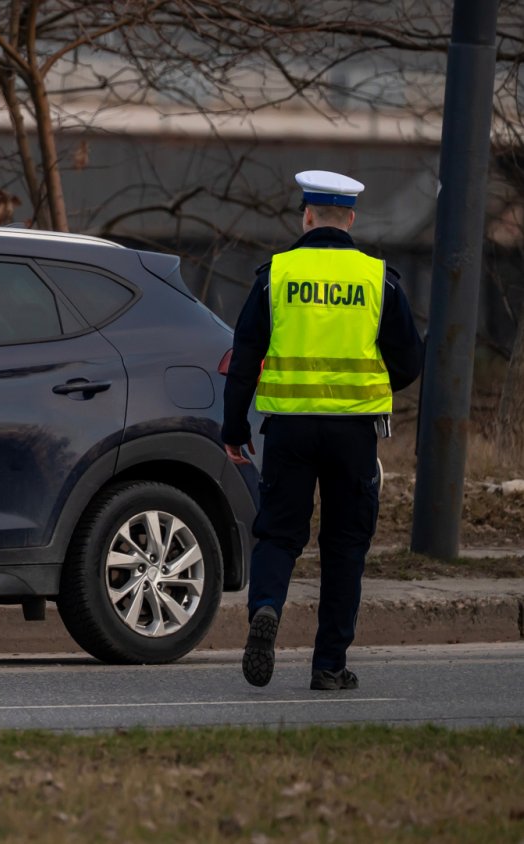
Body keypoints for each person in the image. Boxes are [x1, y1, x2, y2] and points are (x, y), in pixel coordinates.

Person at [223, 170, 423, 691]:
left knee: (279, 534)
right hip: (354, 435)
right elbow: (409, 361)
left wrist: (234, 424)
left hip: (288, 431)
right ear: (350, 219)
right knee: (344, 546)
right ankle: (329, 665)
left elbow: (245, 355)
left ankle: (266, 609)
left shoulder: (277, 274)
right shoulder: (379, 278)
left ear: (306, 217)